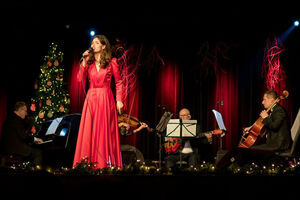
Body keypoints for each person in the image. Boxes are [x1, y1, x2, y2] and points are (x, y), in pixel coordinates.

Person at [73, 35, 124, 169]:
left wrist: (119, 100)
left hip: (105, 98)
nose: (93, 45)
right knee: (89, 131)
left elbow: (119, 82)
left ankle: (103, 164)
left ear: (103, 46)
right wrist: (84, 61)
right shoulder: (88, 63)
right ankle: (86, 164)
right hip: (91, 99)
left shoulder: (112, 62)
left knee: (104, 131)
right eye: (92, 42)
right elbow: (79, 80)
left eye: (96, 43)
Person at [217, 90, 292, 168]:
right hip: (272, 143)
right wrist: (252, 128)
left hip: (278, 145)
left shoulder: (279, 110)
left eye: (264, 99)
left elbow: (274, 126)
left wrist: (266, 117)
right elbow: (268, 126)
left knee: (248, 150)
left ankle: (228, 169)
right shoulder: (274, 110)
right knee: (245, 150)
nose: (262, 102)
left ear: (271, 100)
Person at [1, 101, 43, 166]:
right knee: (38, 153)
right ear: (20, 110)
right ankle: (34, 173)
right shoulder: (16, 120)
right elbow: (23, 136)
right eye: (25, 111)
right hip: (15, 149)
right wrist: (35, 139)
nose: (26, 114)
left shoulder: (10, 118)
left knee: (32, 150)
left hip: (7, 148)